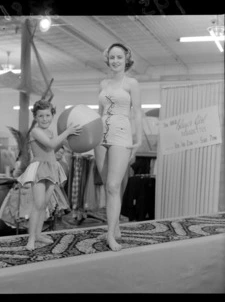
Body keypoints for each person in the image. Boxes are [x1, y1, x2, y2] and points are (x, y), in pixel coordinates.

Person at [94, 43, 142, 251]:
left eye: (119, 57)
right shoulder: (103, 83)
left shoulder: (132, 83)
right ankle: (115, 226)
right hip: (100, 136)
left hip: (121, 135)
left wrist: (138, 140)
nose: (115, 61)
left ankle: (111, 235)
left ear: (126, 59)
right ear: (108, 59)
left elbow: (137, 112)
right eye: (112, 57)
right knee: (108, 186)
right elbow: (98, 113)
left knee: (114, 185)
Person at [16, 99, 81, 250]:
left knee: (45, 204)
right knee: (38, 204)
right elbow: (51, 144)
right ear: (35, 118)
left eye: (47, 115)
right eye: (41, 116)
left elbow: (54, 147)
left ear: (52, 115)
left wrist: (69, 138)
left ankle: (38, 234)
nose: (44, 119)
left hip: (51, 168)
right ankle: (31, 239)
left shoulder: (50, 132)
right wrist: (67, 131)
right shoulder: (35, 131)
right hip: (39, 168)